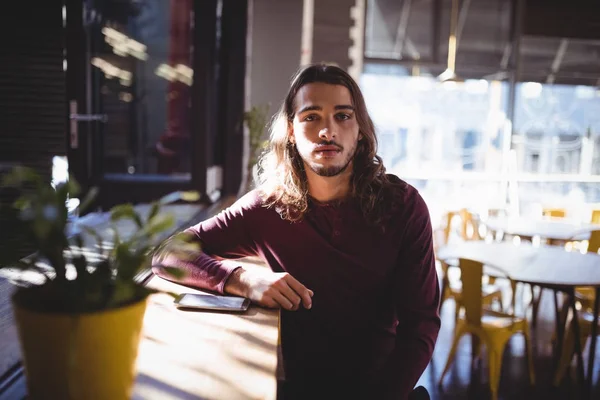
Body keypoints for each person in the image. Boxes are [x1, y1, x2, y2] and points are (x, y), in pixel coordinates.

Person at [152, 63, 440, 399]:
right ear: (291, 130)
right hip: (296, 388)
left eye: (342, 116)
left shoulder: (404, 207)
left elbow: (420, 327)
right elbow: (168, 253)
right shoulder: (266, 207)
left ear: (360, 129)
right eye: (311, 116)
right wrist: (244, 280)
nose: (326, 131)